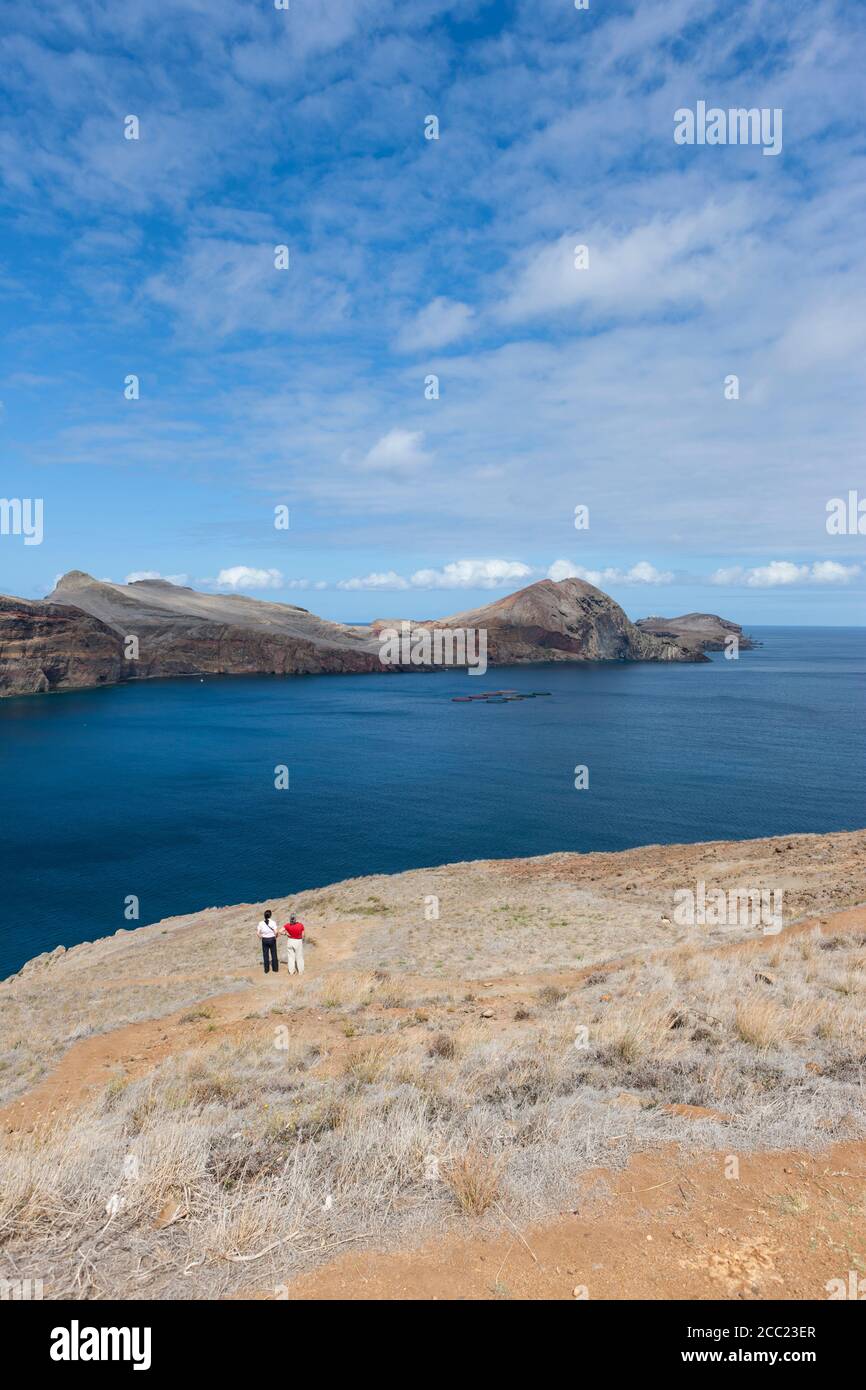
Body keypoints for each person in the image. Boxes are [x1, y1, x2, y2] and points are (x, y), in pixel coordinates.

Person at [257, 909, 279, 974]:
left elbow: (258, 933)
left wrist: (261, 937)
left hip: (265, 940)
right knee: (274, 954)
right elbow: (276, 931)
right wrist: (276, 936)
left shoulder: (260, 923)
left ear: (264, 916)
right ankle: (275, 969)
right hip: (272, 939)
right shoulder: (273, 922)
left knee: (265, 955)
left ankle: (266, 970)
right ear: (270, 915)